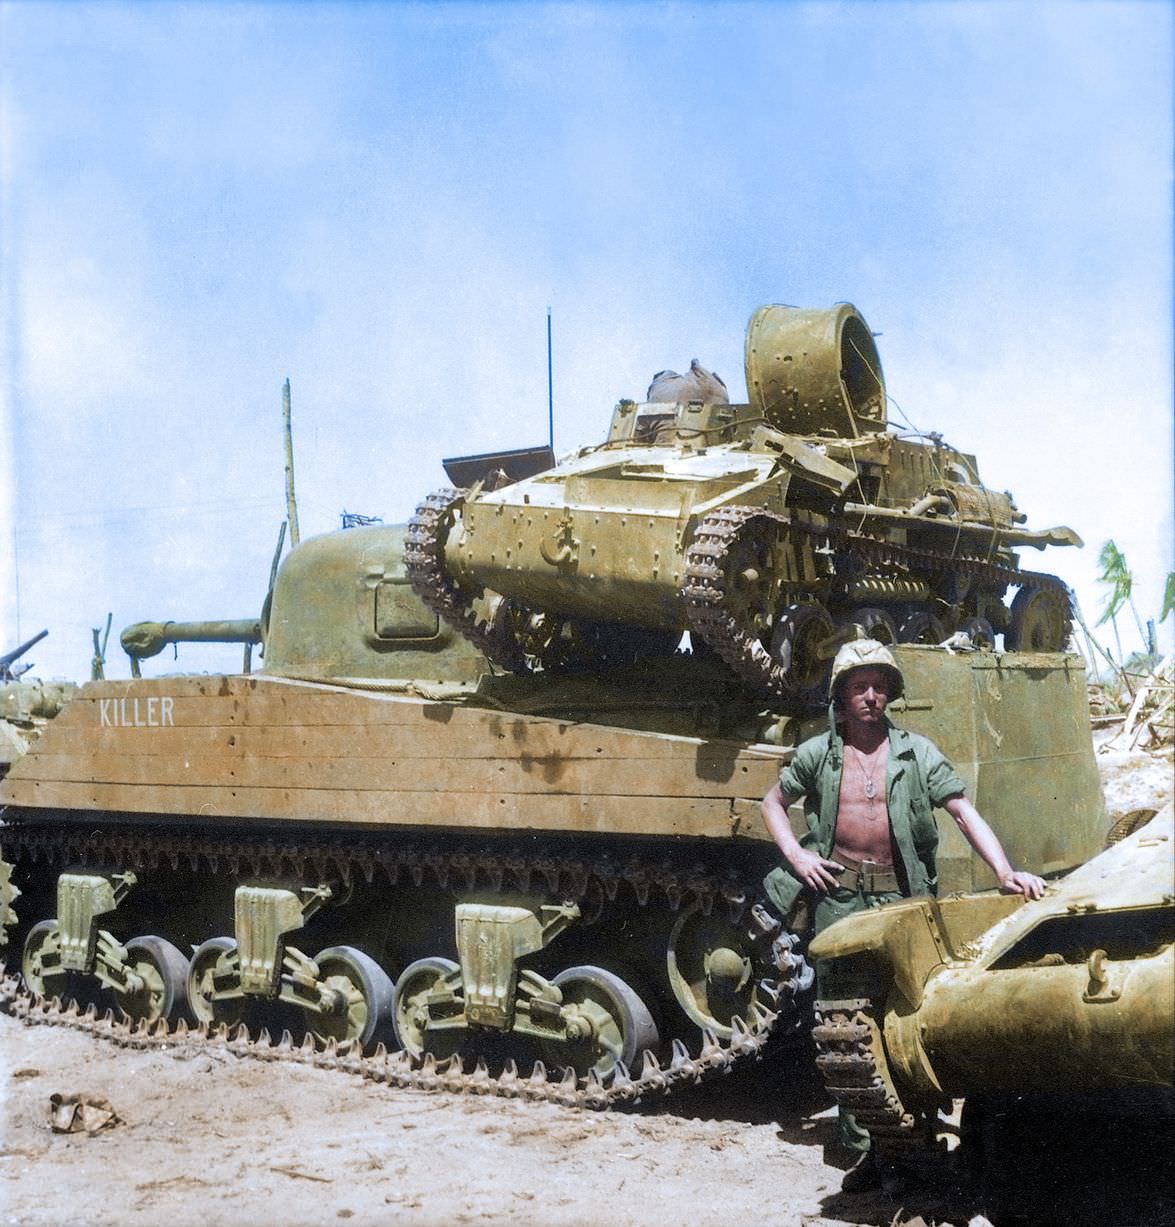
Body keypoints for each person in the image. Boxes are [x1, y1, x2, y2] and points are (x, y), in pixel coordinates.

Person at [760, 638, 1045, 1192]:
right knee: (845, 1024)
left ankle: (911, 1136)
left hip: (902, 900)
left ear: (891, 693)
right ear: (841, 694)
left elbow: (963, 812)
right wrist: (796, 855)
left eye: (880, 686)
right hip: (840, 898)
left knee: (906, 1015)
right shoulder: (820, 752)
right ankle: (869, 1148)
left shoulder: (917, 752)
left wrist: (1006, 871)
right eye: (859, 686)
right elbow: (773, 802)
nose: (871, 696)